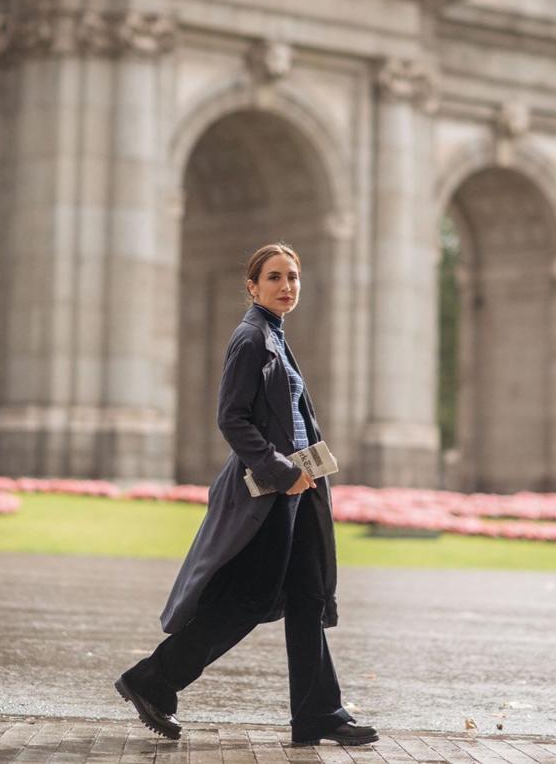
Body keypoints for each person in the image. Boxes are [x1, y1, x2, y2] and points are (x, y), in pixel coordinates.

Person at [115, 242, 378, 747]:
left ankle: (319, 713)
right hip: (271, 495)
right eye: (275, 278)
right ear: (252, 286)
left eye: (293, 277)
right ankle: (152, 679)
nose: (286, 287)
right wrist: (282, 472)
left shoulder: (275, 336)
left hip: (299, 492)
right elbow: (231, 418)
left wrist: (305, 474)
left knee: (307, 597)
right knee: (249, 599)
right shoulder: (251, 337)